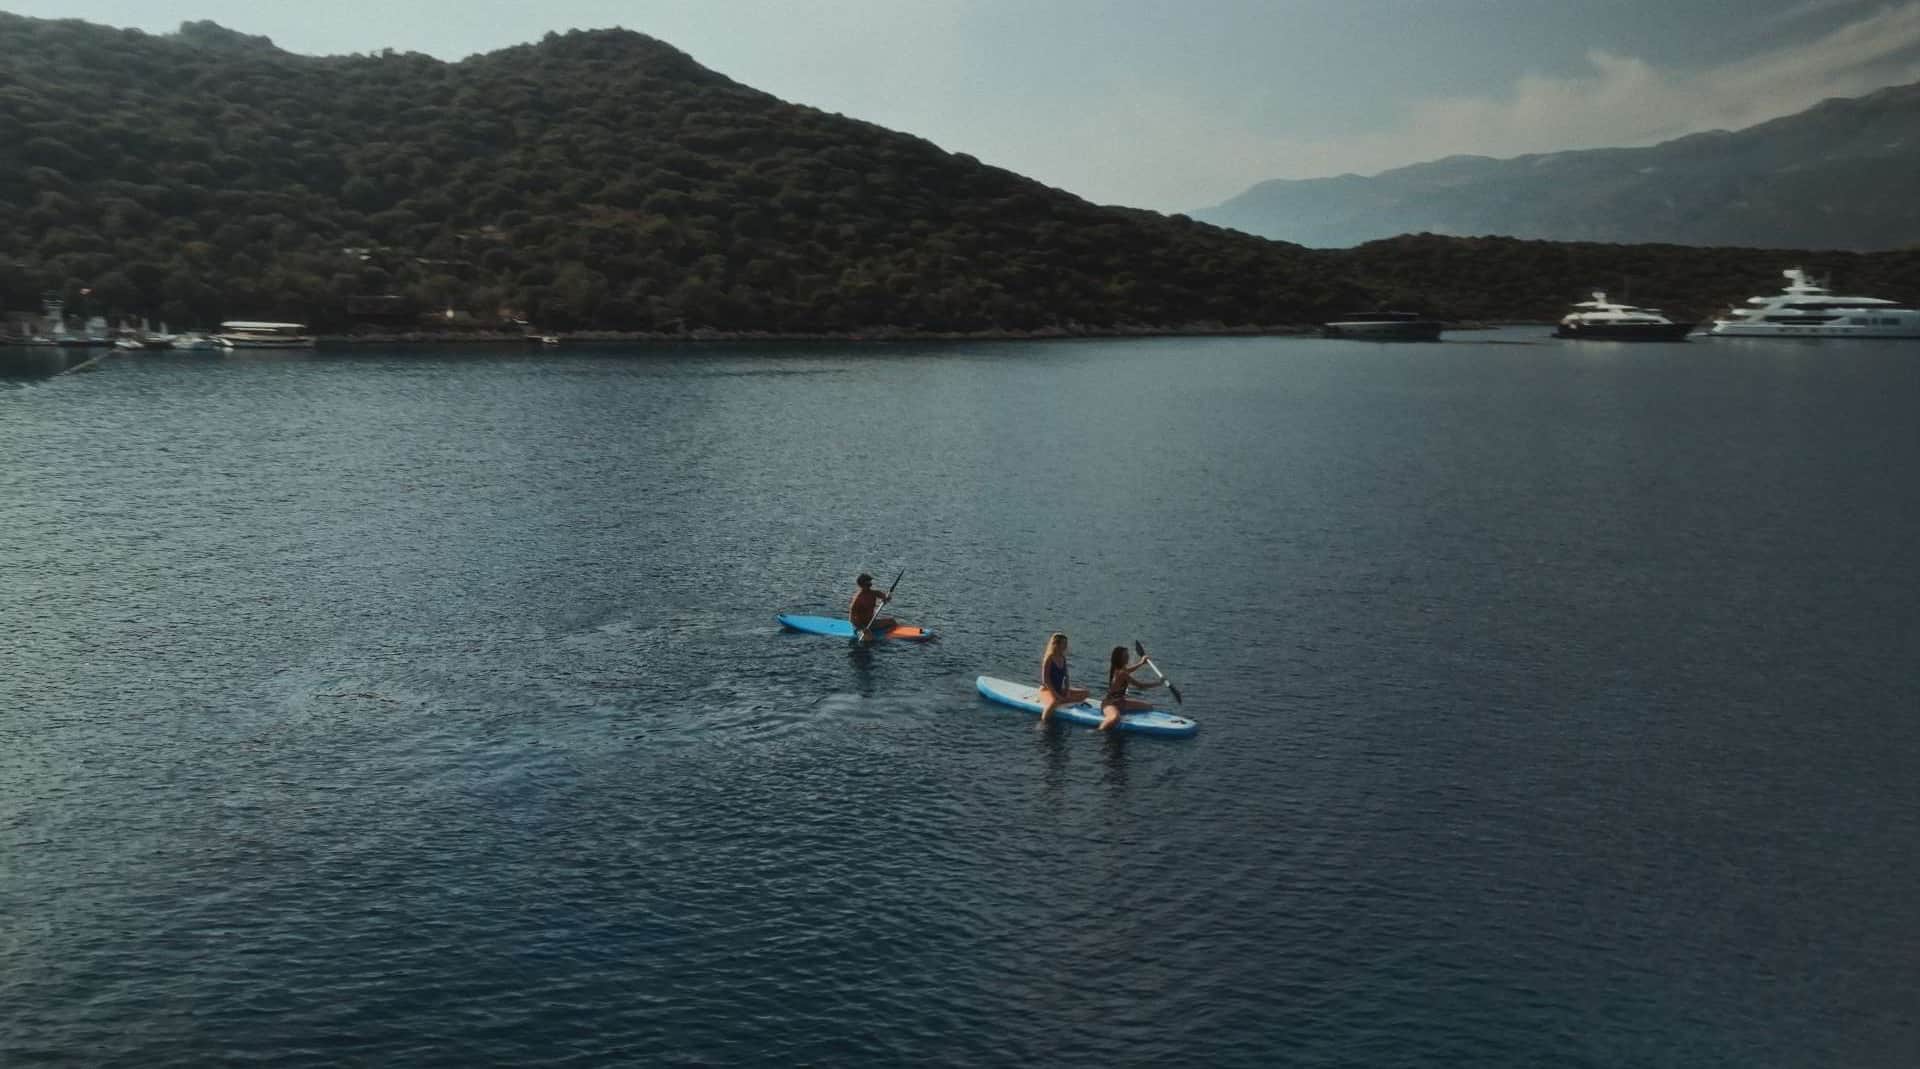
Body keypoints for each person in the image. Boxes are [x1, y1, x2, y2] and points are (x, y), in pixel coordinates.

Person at [1099, 645, 1163, 731]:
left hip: (1121, 702)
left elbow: (1129, 670)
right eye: (1125, 655)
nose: (1128, 657)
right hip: (1109, 704)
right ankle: (1098, 731)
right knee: (1115, 718)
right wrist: (1158, 684)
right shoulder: (1121, 673)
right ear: (1120, 659)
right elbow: (1140, 686)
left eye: (1127, 654)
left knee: (1149, 707)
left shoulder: (1122, 670)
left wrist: (1141, 663)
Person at [1038, 632, 1090, 722]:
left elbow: (1066, 677)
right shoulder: (1049, 658)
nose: (1066, 646)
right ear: (1056, 644)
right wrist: (1056, 695)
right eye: (1064, 643)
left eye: (1066, 643)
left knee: (1086, 693)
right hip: (1047, 690)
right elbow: (1046, 680)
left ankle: (1063, 700)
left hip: (1059, 689)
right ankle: (1043, 723)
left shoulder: (1062, 657)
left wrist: (1067, 691)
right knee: (1054, 702)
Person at [848, 573, 895, 637]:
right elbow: (851, 619)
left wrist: (887, 598)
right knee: (868, 637)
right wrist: (863, 628)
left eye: (870, 582)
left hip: (871, 622)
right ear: (862, 584)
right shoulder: (858, 599)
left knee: (892, 621)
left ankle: (889, 634)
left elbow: (884, 596)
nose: (870, 584)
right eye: (868, 582)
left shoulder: (873, 593)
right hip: (861, 625)